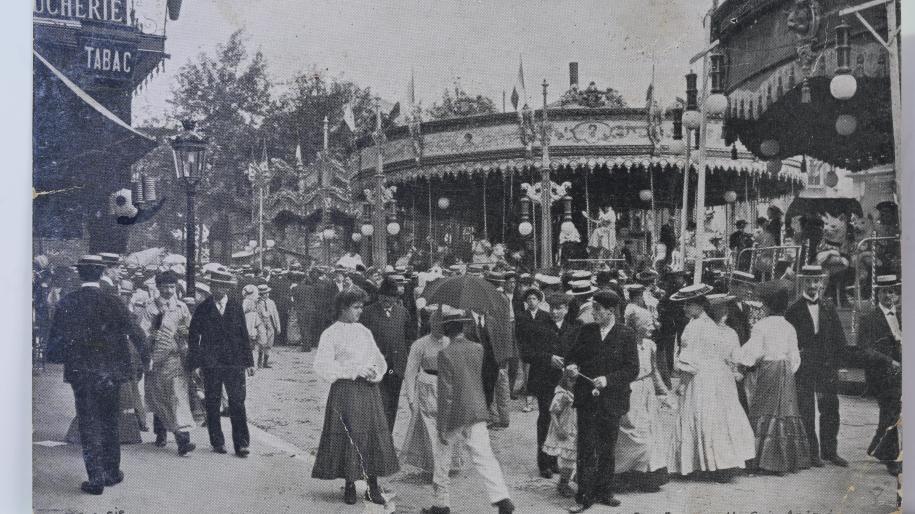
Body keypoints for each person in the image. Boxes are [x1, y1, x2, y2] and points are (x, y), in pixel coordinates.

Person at [46, 255, 148, 495]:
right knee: (110, 421)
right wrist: (145, 357)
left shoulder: (67, 302)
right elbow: (136, 332)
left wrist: (66, 357)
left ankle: (95, 478)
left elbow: (54, 347)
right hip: (111, 374)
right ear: (101, 273)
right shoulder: (113, 302)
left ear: (79, 274)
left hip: (81, 374)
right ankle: (112, 472)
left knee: (88, 423)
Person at [312, 288, 399, 505]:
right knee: (350, 434)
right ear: (343, 308)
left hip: (368, 391)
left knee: (371, 435)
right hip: (345, 391)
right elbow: (322, 365)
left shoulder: (363, 331)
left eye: (362, 306)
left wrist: (374, 372)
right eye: (356, 307)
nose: (360, 311)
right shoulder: (331, 333)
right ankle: (350, 484)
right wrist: (352, 371)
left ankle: (373, 485)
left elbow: (378, 360)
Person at [423, 309, 515, 514]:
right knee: (484, 456)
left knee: (442, 458)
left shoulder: (445, 354)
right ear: (465, 326)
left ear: (446, 329)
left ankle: (440, 504)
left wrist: (441, 427)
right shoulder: (478, 348)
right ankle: (502, 499)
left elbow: (446, 393)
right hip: (476, 407)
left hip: (455, 413)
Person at [668, 286, 756, 481]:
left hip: (702, 377)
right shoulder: (706, 325)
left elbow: (691, 360)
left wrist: (682, 384)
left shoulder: (696, 326)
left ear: (699, 305)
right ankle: (716, 463)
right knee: (715, 417)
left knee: (701, 414)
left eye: (688, 304)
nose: (684, 308)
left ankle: (703, 463)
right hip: (717, 376)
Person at [564, 290, 638, 512]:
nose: (593, 313)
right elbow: (572, 356)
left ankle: (605, 491)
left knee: (607, 448)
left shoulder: (626, 334)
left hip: (612, 400)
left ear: (611, 311)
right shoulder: (586, 331)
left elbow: (632, 369)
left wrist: (607, 380)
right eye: (593, 308)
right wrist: (572, 367)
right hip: (587, 399)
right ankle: (584, 496)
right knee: (586, 447)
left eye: (597, 309)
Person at [735, 279, 811, 474]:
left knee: (763, 408)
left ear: (767, 305)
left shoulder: (761, 326)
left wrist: (739, 358)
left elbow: (753, 352)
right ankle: (785, 459)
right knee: (785, 410)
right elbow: (795, 357)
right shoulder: (789, 327)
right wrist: (787, 369)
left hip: (769, 369)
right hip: (785, 370)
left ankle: (762, 459)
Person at [187, 267, 255, 458]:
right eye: (215, 286)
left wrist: (248, 361)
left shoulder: (235, 306)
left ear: (228, 288)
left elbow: (243, 336)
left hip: (234, 363)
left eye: (223, 286)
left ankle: (241, 443)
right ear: (211, 287)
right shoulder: (203, 308)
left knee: (237, 402)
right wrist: (195, 363)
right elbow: (193, 336)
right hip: (212, 363)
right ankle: (217, 441)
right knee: (212, 401)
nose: (219, 290)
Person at [785, 264, 848, 467]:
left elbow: (839, 338)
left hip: (826, 366)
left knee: (830, 408)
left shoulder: (829, 307)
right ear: (803, 282)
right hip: (804, 367)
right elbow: (789, 340)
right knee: (806, 409)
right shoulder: (793, 310)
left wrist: (839, 365)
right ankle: (812, 453)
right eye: (809, 281)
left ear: (821, 282)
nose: (813, 285)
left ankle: (831, 452)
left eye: (816, 281)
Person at [615, 306, 672, 492]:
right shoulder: (623, 343)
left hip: (647, 393)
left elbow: (654, 372)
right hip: (631, 392)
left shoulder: (650, 345)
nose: (653, 327)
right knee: (631, 434)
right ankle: (621, 474)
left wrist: (664, 392)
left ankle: (647, 476)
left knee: (651, 433)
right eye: (647, 323)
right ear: (635, 325)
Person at [518, 290, 574, 478]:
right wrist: (548, 358)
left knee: (561, 420)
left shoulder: (572, 329)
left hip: (565, 382)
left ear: (566, 309)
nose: (555, 312)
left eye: (559, 308)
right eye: (552, 308)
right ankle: (544, 463)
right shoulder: (539, 326)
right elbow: (526, 353)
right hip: (544, 379)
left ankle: (554, 459)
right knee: (545, 418)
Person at [144, 271, 196, 456]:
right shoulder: (150, 308)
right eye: (164, 287)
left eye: (172, 287)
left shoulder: (181, 308)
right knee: (160, 397)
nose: (168, 290)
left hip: (175, 359)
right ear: (158, 287)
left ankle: (183, 439)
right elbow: (141, 333)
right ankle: (161, 433)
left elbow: (190, 331)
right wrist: (151, 336)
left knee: (178, 397)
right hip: (156, 360)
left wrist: (185, 331)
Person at [856, 274, 902, 475]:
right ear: (878, 294)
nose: (888, 296)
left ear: (897, 295)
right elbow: (864, 350)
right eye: (884, 291)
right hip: (881, 374)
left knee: (891, 413)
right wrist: (888, 361)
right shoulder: (869, 319)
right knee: (893, 411)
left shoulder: (903, 316)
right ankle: (891, 457)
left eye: (892, 291)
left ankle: (877, 445)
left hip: (901, 372)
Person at [400, 304, 453, 473]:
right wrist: (410, 397)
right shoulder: (419, 345)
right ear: (430, 324)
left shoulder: (450, 343)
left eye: (443, 324)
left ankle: (446, 463)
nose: (440, 327)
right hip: (426, 389)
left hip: (447, 388)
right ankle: (434, 465)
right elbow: (410, 372)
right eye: (436, 323)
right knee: (429, 427)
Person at [360, 276, 416, 432]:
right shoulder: (367, 313)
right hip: (376, 368)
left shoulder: (403, 313)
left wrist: (405, 359)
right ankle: (376, 436)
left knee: (392, 404)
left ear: (396, 298)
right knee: (378, 404)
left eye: (391, 297)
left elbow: (409, 338)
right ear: (379, 296)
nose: (387, 300)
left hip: (396, 368)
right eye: (384, 296)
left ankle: (387, 437)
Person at [542, 372, 578, 498]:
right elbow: (553, 412)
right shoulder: (562, 395)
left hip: (574, 428)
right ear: (565, 380)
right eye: (571, 380)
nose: (573, 383)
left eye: (576, 381)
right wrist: (558, 429)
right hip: (565, 429)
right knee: (568, 457)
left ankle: (571, 478)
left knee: (574, 456)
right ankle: (563, 483)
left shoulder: (576, 394)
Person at [255, 283, 281, 368]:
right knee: (262, 342)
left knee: (269, 343)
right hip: (261, 323)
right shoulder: (257, 303)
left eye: (267, 293)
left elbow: (275, 314)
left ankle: (265, 362)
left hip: (269, 323)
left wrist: (278, 326)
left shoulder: (271, 302)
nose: (266, 295)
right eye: (263, 293)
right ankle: (259, 361)